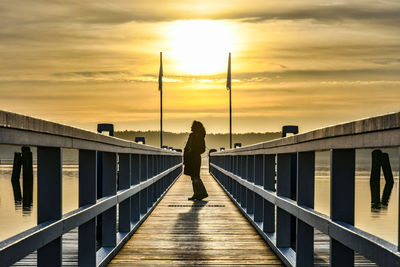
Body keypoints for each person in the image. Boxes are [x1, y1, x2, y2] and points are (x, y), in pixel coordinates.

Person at [184, 120, 208, 201]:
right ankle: (196, 194)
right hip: (191, 158)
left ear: (195, 127)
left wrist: (193, 150)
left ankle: (202, 193)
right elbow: (187, 147)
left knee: (195, 176)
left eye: (192, 126)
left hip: (195, 158)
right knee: (193, 177)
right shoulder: (193, 135)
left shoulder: (199, 136)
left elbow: (202, 149)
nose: (191, 127)